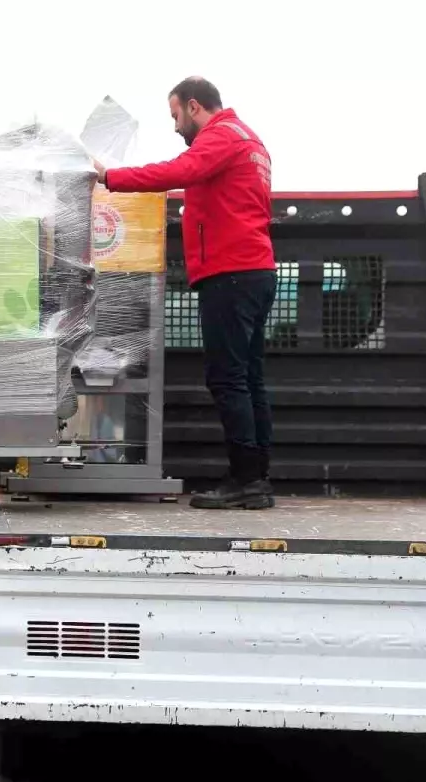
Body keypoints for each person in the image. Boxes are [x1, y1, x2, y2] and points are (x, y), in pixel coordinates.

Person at [94, 77, 277, 510]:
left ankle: (246, 480)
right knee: (249, 379)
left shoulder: (220, 138)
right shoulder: (251, 141)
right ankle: (256, 476)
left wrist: (110, 177)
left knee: (228, 379)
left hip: (230, 272)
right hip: (253, 270)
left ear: (194, 107)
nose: (176, 127)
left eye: (175, 115)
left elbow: (179, 172)